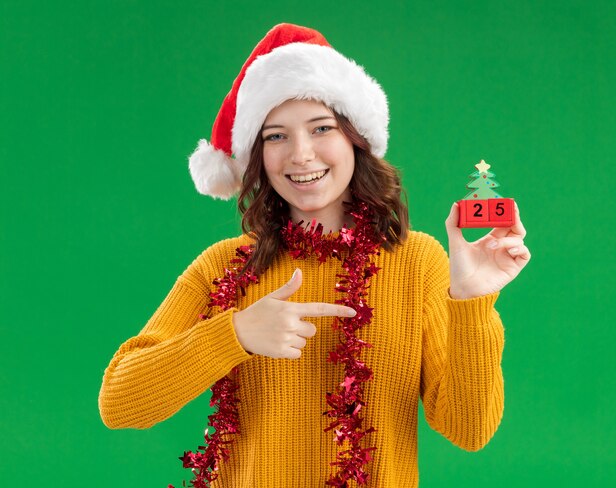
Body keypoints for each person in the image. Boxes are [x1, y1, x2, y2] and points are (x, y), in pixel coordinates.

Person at [98, 23, 531, 487]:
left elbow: (470, 430)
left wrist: (470, 301)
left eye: (321, 128)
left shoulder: (417, 261)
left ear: (355, 138)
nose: (301, 155)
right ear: (257, 156)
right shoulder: (222, 267)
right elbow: (120, 401)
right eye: (276, 136)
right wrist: (236, 333)